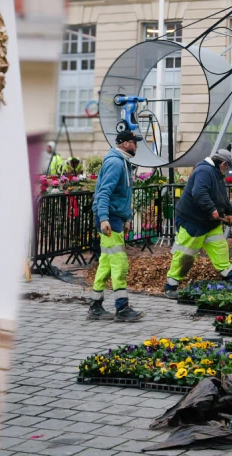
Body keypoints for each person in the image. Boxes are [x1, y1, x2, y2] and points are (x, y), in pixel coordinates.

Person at [163, 149, 232, 297]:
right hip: (193, 221)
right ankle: (171, 286)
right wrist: (211, 209)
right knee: (185, 254)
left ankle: (229, 275)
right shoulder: (204, 171)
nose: (227, 170)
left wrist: (230, 212)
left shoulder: (216, 174)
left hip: (209, 222)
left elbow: (222, 197)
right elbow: (199, 192)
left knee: (220, 247)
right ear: (223, 163)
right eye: (227, 166)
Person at [88, 131, 144, 322]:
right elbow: (104, 193)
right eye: (134, 142)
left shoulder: (123, 162)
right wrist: (104, 218)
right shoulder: (116, 163)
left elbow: (123, 195)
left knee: (105, 263)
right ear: (126, 143)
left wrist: (127, 218)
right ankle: (122, 308)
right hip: (110, 219)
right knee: (119, 262)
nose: (137, 146)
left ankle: (95, 306)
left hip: (114, 217)